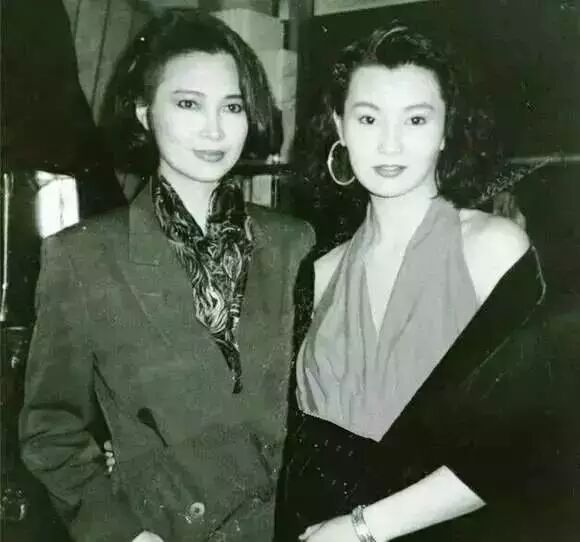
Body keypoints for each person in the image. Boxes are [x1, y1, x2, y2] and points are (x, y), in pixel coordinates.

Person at [19, 9, 314, 542]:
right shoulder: (83, 257)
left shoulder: (295, 243)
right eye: (188, 104)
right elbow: (51, 429)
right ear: (144, 113)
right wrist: (124, 534)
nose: (215, 129)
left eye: (232, 106)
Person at [274, 25, 553, 541]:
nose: (389, 143)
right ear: (339, 126)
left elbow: (528, 442)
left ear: (446, 130)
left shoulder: (492, 249)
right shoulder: (320, 271)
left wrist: (362, 529)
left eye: (416, 119)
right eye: (368, 118)